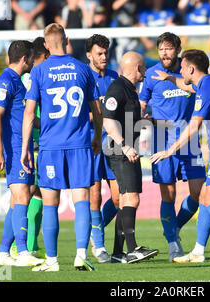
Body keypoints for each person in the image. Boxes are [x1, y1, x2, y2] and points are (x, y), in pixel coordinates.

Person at [21, 23, 103, 272]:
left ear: (46, 45)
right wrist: (97, 137)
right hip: (80, 144)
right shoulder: (83, 69)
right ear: (66, 40)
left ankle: (53, 261)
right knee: (82, 199)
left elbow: (28, 112)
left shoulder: (39, 71)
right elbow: (97, 109)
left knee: (49, 203)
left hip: (50, 146)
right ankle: (81, 255)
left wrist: (25, 148)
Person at [150, 49, 210, 264]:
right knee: (204, 198)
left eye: (182, 67)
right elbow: (186, 85)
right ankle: (198, 251)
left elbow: (194, 126)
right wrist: (170, 78)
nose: (180, 69)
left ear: (191, 68)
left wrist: (170, 150)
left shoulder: (207, 89)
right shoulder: (209, 82)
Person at [138, 32, 205, 261]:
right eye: (161, 49)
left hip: (189, 141)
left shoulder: (189, 71)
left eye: (169, 48)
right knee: (168, 195)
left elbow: (201, 91)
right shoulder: (150, 74)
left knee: (199, 193)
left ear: (178, 49)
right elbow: (141, 103)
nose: (165, 53)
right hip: (161, 141)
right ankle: (173, 243)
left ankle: (174, 227)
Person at [102, 51, 159, 264]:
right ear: (137, 68)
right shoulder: (117, 88)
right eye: (143, 67)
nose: (145, 72)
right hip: (121, 151)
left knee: (125, 200)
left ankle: (118, 252)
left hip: (125, 149)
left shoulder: (130, 89)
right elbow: (108, 121)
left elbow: (123, 119)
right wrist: (125, 146)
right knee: (132, 198)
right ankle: (133, 249)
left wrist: (143, 121)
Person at [0, 40, 44, 267]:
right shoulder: (6, 81)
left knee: (16, 201)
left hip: (20, 146)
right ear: (25, 59)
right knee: (23, 196)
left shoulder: (16, 82)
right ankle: (22, 251)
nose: (33, 62)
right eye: (31, 58)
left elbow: (26, 117)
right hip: (13, 149)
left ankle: (4, 253)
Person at [10, 37, 50, 259]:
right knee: (26, 193)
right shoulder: (29, 78)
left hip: (40, 140)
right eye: (46, 57)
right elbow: (27, 113)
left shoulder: (37, 76)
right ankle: (18, 246)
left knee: (39, 193)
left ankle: (30, 244)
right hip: (31, 141)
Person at [85, 34, 120, 263]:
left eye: (106, 52)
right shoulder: (83, 76)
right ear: (89, 55)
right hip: (92, 142)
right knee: (95, 195)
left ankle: (92, 230)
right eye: (99, 53)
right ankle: (99, 246)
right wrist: (98, 116)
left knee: (119, 198)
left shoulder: (114, 77)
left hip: (114, 141)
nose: (104, 56)